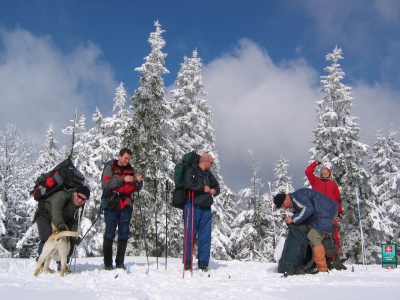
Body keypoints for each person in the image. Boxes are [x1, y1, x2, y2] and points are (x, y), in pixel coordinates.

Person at [274, 188, 338, 273]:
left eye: (283, 206)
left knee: (314, 236)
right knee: (309, 233)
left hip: (325, 212)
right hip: (322, 213)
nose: (284, 208)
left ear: (285, 199)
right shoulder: (296, 199)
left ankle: (322, 268)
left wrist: (292, 219)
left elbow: (308, 209)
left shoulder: (297, 197)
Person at [101, 148, 142, 270]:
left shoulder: (131, 170)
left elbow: (135, 188)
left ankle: (120, 262)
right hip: (111, 203)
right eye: (125, 158)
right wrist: (123, 179)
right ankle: (108, 263)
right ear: (119, 156)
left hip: (126, 203)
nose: (127, 161)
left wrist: (139, 182)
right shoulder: (110, 167)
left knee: (124, 233)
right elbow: (106, 184)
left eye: (129, 159)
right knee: (110, 232)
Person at [34, 185, 90, 272]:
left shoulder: (80, 207)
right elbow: (56, 213)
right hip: (45, 215)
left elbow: (75, 221)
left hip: (62, 220)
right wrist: (61, 227)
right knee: (47, 237)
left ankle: (62, 265)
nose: (80, 200)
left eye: (83, 199)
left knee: (69, 240)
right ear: (75, 193)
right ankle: (41, 263)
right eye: (79, 196)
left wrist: (73, 235)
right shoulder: (62, 196)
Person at [182, 153, 220, 272]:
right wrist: (203, 188)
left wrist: (214, 190)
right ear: (206, 162)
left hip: (206, 208)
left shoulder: (209, 175)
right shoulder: (191, 170)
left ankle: (203, 263)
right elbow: (187, 183)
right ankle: (187, 263)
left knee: (205, 237)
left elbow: (217, 186)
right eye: (211, 163)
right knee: (190, 235)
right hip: (192, 205)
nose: (212, 165)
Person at [305, 161, 344, 258]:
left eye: (326, 173)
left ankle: (334, 257)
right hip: (318, 215)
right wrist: (315, 163)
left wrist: (339, 212)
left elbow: (337, 199)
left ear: (329, 174)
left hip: (331, 215)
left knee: (334, 236)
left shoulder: (333, 184)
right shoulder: (315, 181)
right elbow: (308, 172)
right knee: (317, 236)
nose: (324, 175)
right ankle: (317, 257)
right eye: (322, 173)